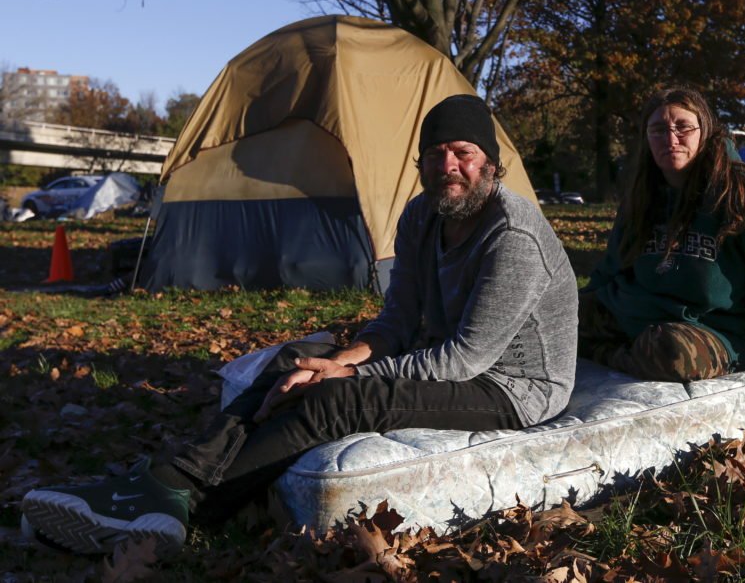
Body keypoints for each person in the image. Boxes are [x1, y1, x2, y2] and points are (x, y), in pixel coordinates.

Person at [22, 94, 579, 557]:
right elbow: (399, 319)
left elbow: (465, 360)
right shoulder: (418, 215)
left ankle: (188, 509)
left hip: (513, 385)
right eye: (435, 153)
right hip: (446, 353)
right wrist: (337, 360)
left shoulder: (514, 238)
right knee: (295, 359)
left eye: (463, 152)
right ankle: (169, 488)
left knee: (335, 401)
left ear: (491, 163)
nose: (448, 165)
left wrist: (344, 380)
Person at [579, 86, 745, 404]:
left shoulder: (744, 192)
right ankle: (624, 347)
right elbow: (612, 265)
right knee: (554, 320)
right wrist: (578, 307)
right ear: (646, 138)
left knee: (670, 353)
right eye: (658, 130)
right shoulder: (641, 193)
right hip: (638, 311)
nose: (671, 139)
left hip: (716, 328)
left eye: (683, 127)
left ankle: (611, 351)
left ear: (704, 131)